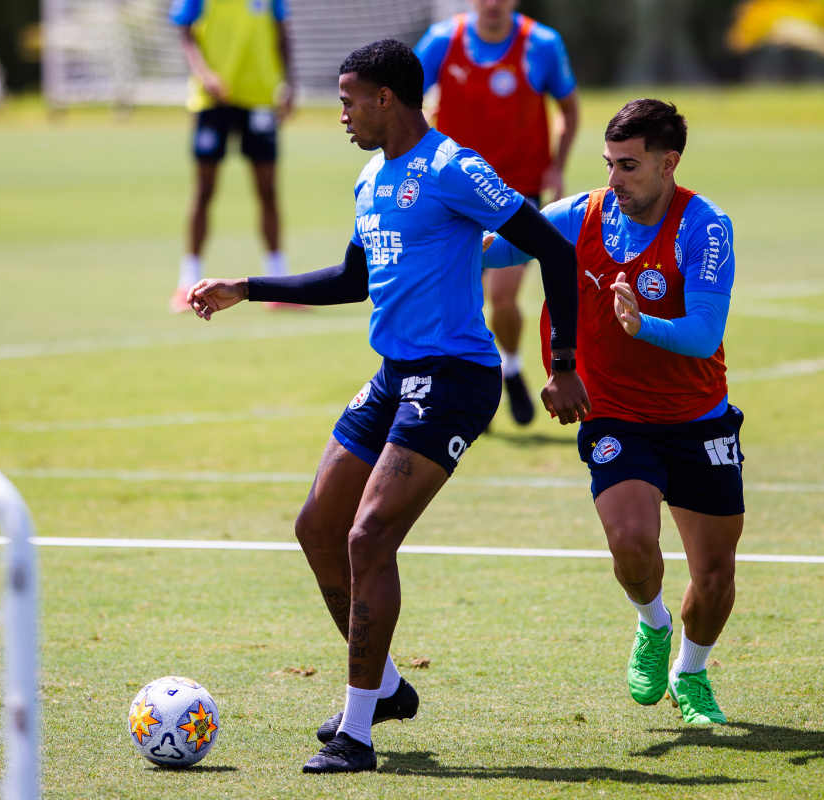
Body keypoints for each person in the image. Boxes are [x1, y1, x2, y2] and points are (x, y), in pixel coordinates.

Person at [186, 39, 589, 773]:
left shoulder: (454, 169)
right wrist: (248, 287)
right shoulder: (370, 177)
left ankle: (359, 734)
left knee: (369, 536)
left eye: (347, 100)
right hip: (394, 372)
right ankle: (388, 687)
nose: (339, 114)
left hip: (457, 377)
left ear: (385, 99)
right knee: (318, 528)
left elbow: (553, 251)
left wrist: (561, 367)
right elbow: (352, 279)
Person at [484, 99, 743, 725]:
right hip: (615, 414)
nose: (614, 179)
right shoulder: (580, 215)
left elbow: (705, 334)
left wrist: (640, 323)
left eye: (629, 166)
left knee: (712, 578)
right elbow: (501, 251)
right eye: (609, 164)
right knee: (631, 542)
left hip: (699, 417)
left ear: (668, 163)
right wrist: (430, 238)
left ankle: (692, 671)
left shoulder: (704, 227)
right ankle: (653, 625)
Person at [415, 0, 579, 425]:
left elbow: (569, 109)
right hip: (452, 193)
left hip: (516, 192)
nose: (492, 3)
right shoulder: (441, 41)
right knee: (455, 298)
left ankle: (509, 364)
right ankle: (484, 379)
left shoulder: (540, 44)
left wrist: (557, 164)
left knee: (501, 297)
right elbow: (402, 99)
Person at [168, 0, 295, 312]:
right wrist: (204, 74)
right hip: (213, 99)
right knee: (205, 190)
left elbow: (282, 32)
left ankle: (278, 281)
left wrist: (289, 82)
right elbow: (185, 33)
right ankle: (188, 281)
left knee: (267, 190)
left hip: (260, 96)